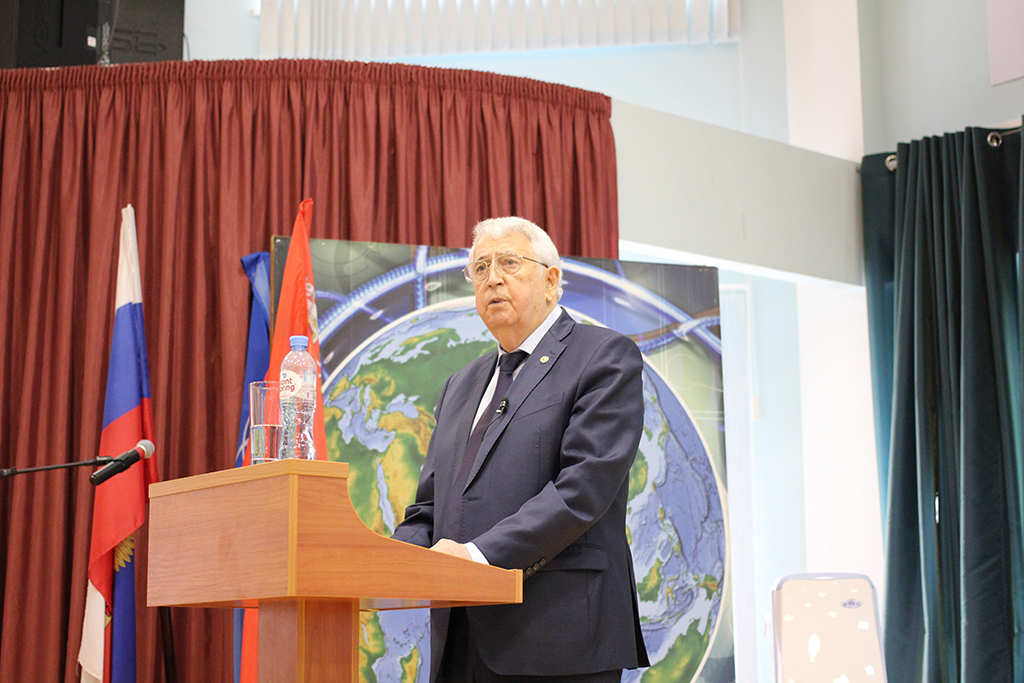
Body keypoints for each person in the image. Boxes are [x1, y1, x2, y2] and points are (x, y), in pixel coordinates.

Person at [392, 217, 649, 683]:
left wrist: (477, 557)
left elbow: (582, 490)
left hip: (557, 638)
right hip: (459, 639)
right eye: (480, 268)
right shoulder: (459, 385)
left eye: (509, 262)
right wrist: (390, 561)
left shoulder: (603, 357)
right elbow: (431, 506)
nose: (492, 278)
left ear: (551, 280)